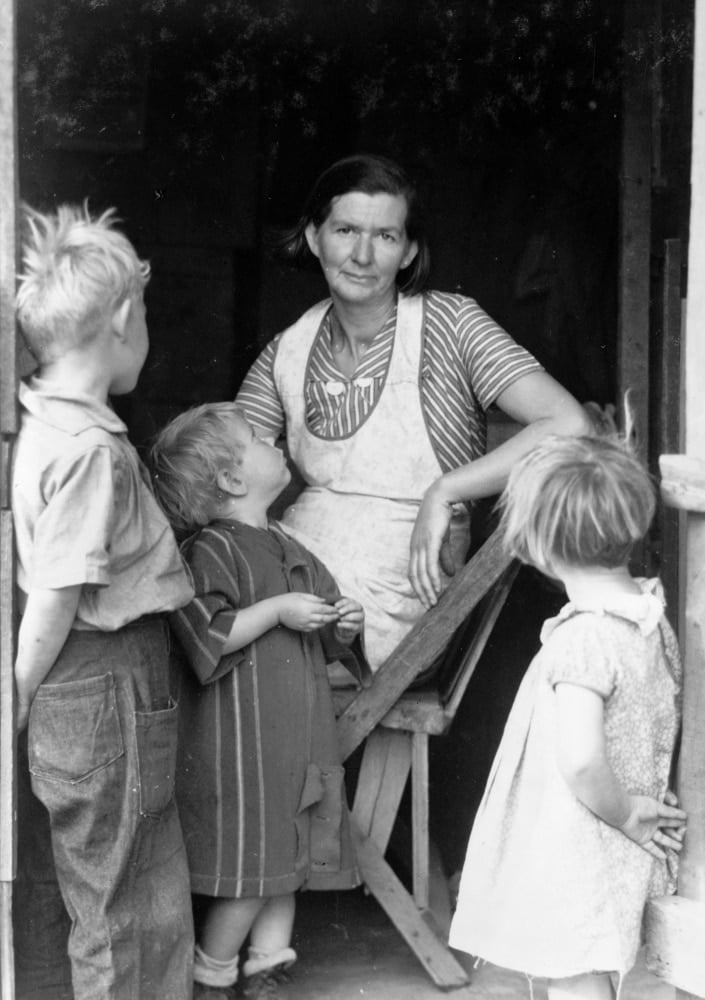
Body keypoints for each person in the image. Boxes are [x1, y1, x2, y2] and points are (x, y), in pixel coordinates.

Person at [236, 153, 592, 672]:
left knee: (256, 654)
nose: (362, 254)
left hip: (404, 590)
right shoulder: (286, 351)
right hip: (302, 567)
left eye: (385, 236)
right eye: (345, 230)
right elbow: (219, 464)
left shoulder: (452, 324)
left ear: (408, 252)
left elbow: (569, 423)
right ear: (314, 238)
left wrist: (445, 490)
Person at [11, 203, 195, 999]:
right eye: (145, 314)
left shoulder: (39, 421)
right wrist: (16, 690)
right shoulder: (93, 454)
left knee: (84, 885)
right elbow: (56, 592)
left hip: (78, 690)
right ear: (123, 318)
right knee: (133, 902)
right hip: (107, 682)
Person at [448, 432, 686, 1000]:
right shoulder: (647, 616)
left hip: (581, 836)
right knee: (587, 966)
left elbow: (581, 761)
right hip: (603, 832)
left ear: (535, 550)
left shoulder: (582, 641)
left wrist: (626, 813)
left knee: (574, 975)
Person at [149, 402, 364, 1000]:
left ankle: (267, 969)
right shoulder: (211, 550)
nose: (273, 441)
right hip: (244, 743)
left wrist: (341, 623)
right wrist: (276, 610)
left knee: (286, 863)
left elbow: (322, 624)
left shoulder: (284, 543)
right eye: (256, 439)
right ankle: (211, 973)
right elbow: (205, 633)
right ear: (233, 481)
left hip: (293, 737)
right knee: (252, 870)